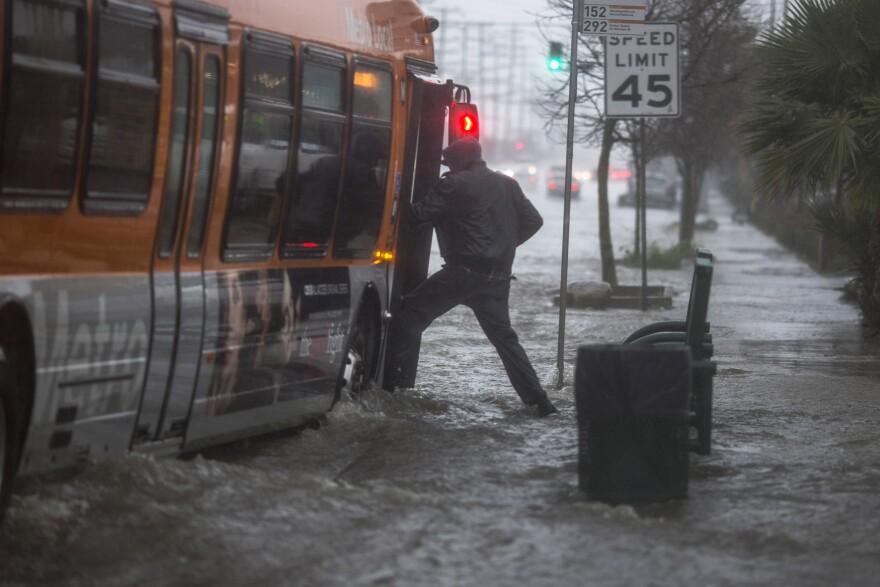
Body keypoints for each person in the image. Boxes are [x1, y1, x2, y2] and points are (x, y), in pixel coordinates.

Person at [386, 137, 558, 417]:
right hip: (498, 278)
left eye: (448, 163)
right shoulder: (507, 183)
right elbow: (534, 221)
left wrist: (391, 197)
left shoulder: (452, 183)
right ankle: (541, 403)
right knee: (507, 342)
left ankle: (387, 389)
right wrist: (502, 246)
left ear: (456, 161)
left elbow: (417, 216)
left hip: (460, 273)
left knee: (408, 318)